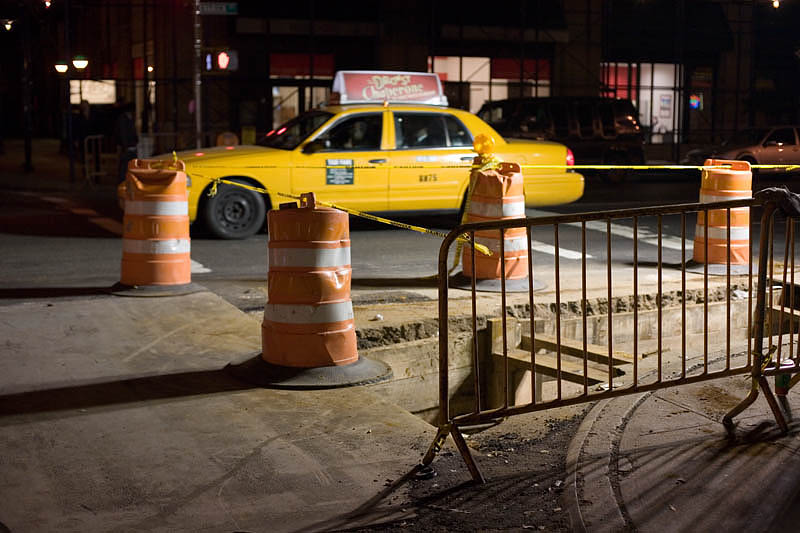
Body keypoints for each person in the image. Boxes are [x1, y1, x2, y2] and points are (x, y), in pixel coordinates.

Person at [114, 102, 138, 183]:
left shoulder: (128, 118)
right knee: (124, 164)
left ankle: (126, 179)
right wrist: (125, 145)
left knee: (128, 163)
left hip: (130, 145)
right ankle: (122, 180)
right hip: (127, 146)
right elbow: (123, 132)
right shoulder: (124, 119)